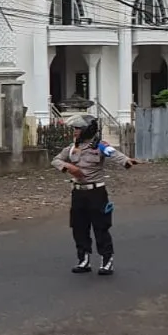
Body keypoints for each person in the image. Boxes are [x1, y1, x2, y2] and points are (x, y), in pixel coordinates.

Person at [52, 113, 141, 276]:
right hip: (78, 192)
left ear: (87, 130)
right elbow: (56, 160)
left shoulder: (100, 146)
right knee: (79, 227)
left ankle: (106, 260)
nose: (75, 131)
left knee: (101, 227)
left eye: (78, 128)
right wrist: (68, 167)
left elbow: (115, 154)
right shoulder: (71, 148)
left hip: (96, 193)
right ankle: (83, 259)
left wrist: (127, 161)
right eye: (75, 128)